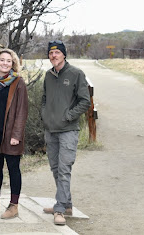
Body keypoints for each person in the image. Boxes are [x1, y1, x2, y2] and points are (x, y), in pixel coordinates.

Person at [42, 40, 91, 225]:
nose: (53, 55)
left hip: (68, 131)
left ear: (64, 54)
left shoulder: (76, 74)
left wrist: (68, 116)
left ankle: (60, 209)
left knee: (64, 170)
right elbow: (44, 99)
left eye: (57, 52)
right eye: (51, 53)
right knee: (56, 169)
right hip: (51, 130)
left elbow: (85, 101)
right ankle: (67, 204)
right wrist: (45, 116)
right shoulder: (48, 76)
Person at [0, 48, 29, 219]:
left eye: (9, 61)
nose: (5, 63)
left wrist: (16, 134)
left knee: (13, 169)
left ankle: (14, 205)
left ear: (13, 63)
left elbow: (22, 111)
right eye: (2, 60)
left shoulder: (18, 83)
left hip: (10, 135)